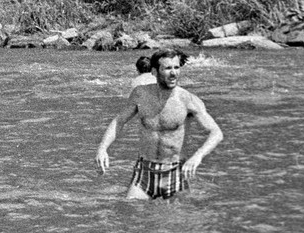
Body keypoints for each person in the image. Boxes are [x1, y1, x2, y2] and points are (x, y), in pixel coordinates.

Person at [96, 49, 224, 200]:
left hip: (175, 173)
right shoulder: (140, 94)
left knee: (177, 220)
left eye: (176, 68)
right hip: (144, 172)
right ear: (154, 71)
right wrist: (102, 148)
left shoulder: (187, 99)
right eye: (167, 68)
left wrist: (198, 156)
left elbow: (216, 133)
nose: (174, 73)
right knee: (131, 212)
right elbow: (119, 120)